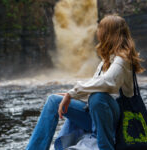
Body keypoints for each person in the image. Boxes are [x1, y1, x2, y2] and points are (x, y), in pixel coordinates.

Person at [26, 14, 145, 150]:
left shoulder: (123, 59)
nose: (97, 32)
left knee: (98, 97)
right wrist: (68, 95)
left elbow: (108, 83)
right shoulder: (104, 62)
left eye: (100, 28)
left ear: (109, 33)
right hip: (96, 115)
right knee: (54, 100)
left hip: (117, 121)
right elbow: (93, 87)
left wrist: (73, 93)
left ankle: (105, 146)